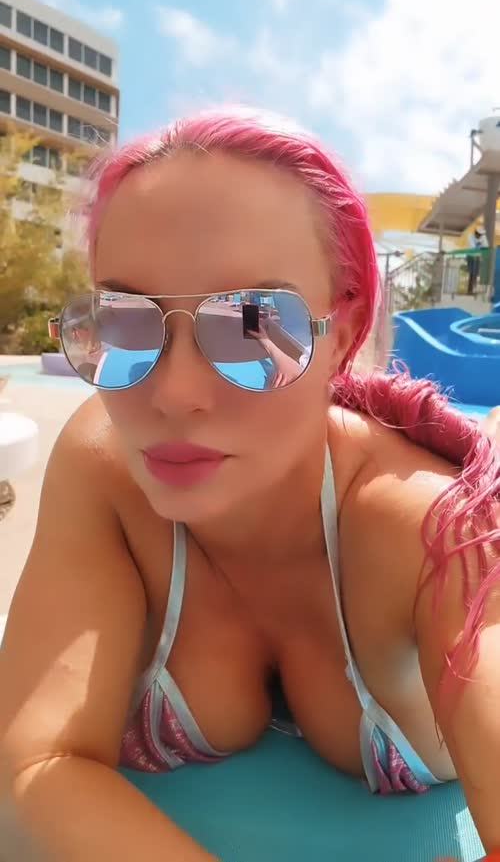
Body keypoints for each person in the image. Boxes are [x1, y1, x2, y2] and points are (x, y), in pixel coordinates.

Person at [0, 108, 499, 861]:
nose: (174, 394)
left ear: (344, 334)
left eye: (251, 326)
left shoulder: (432, 530)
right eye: (125, 323)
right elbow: (33, 769)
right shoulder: (107, 461)